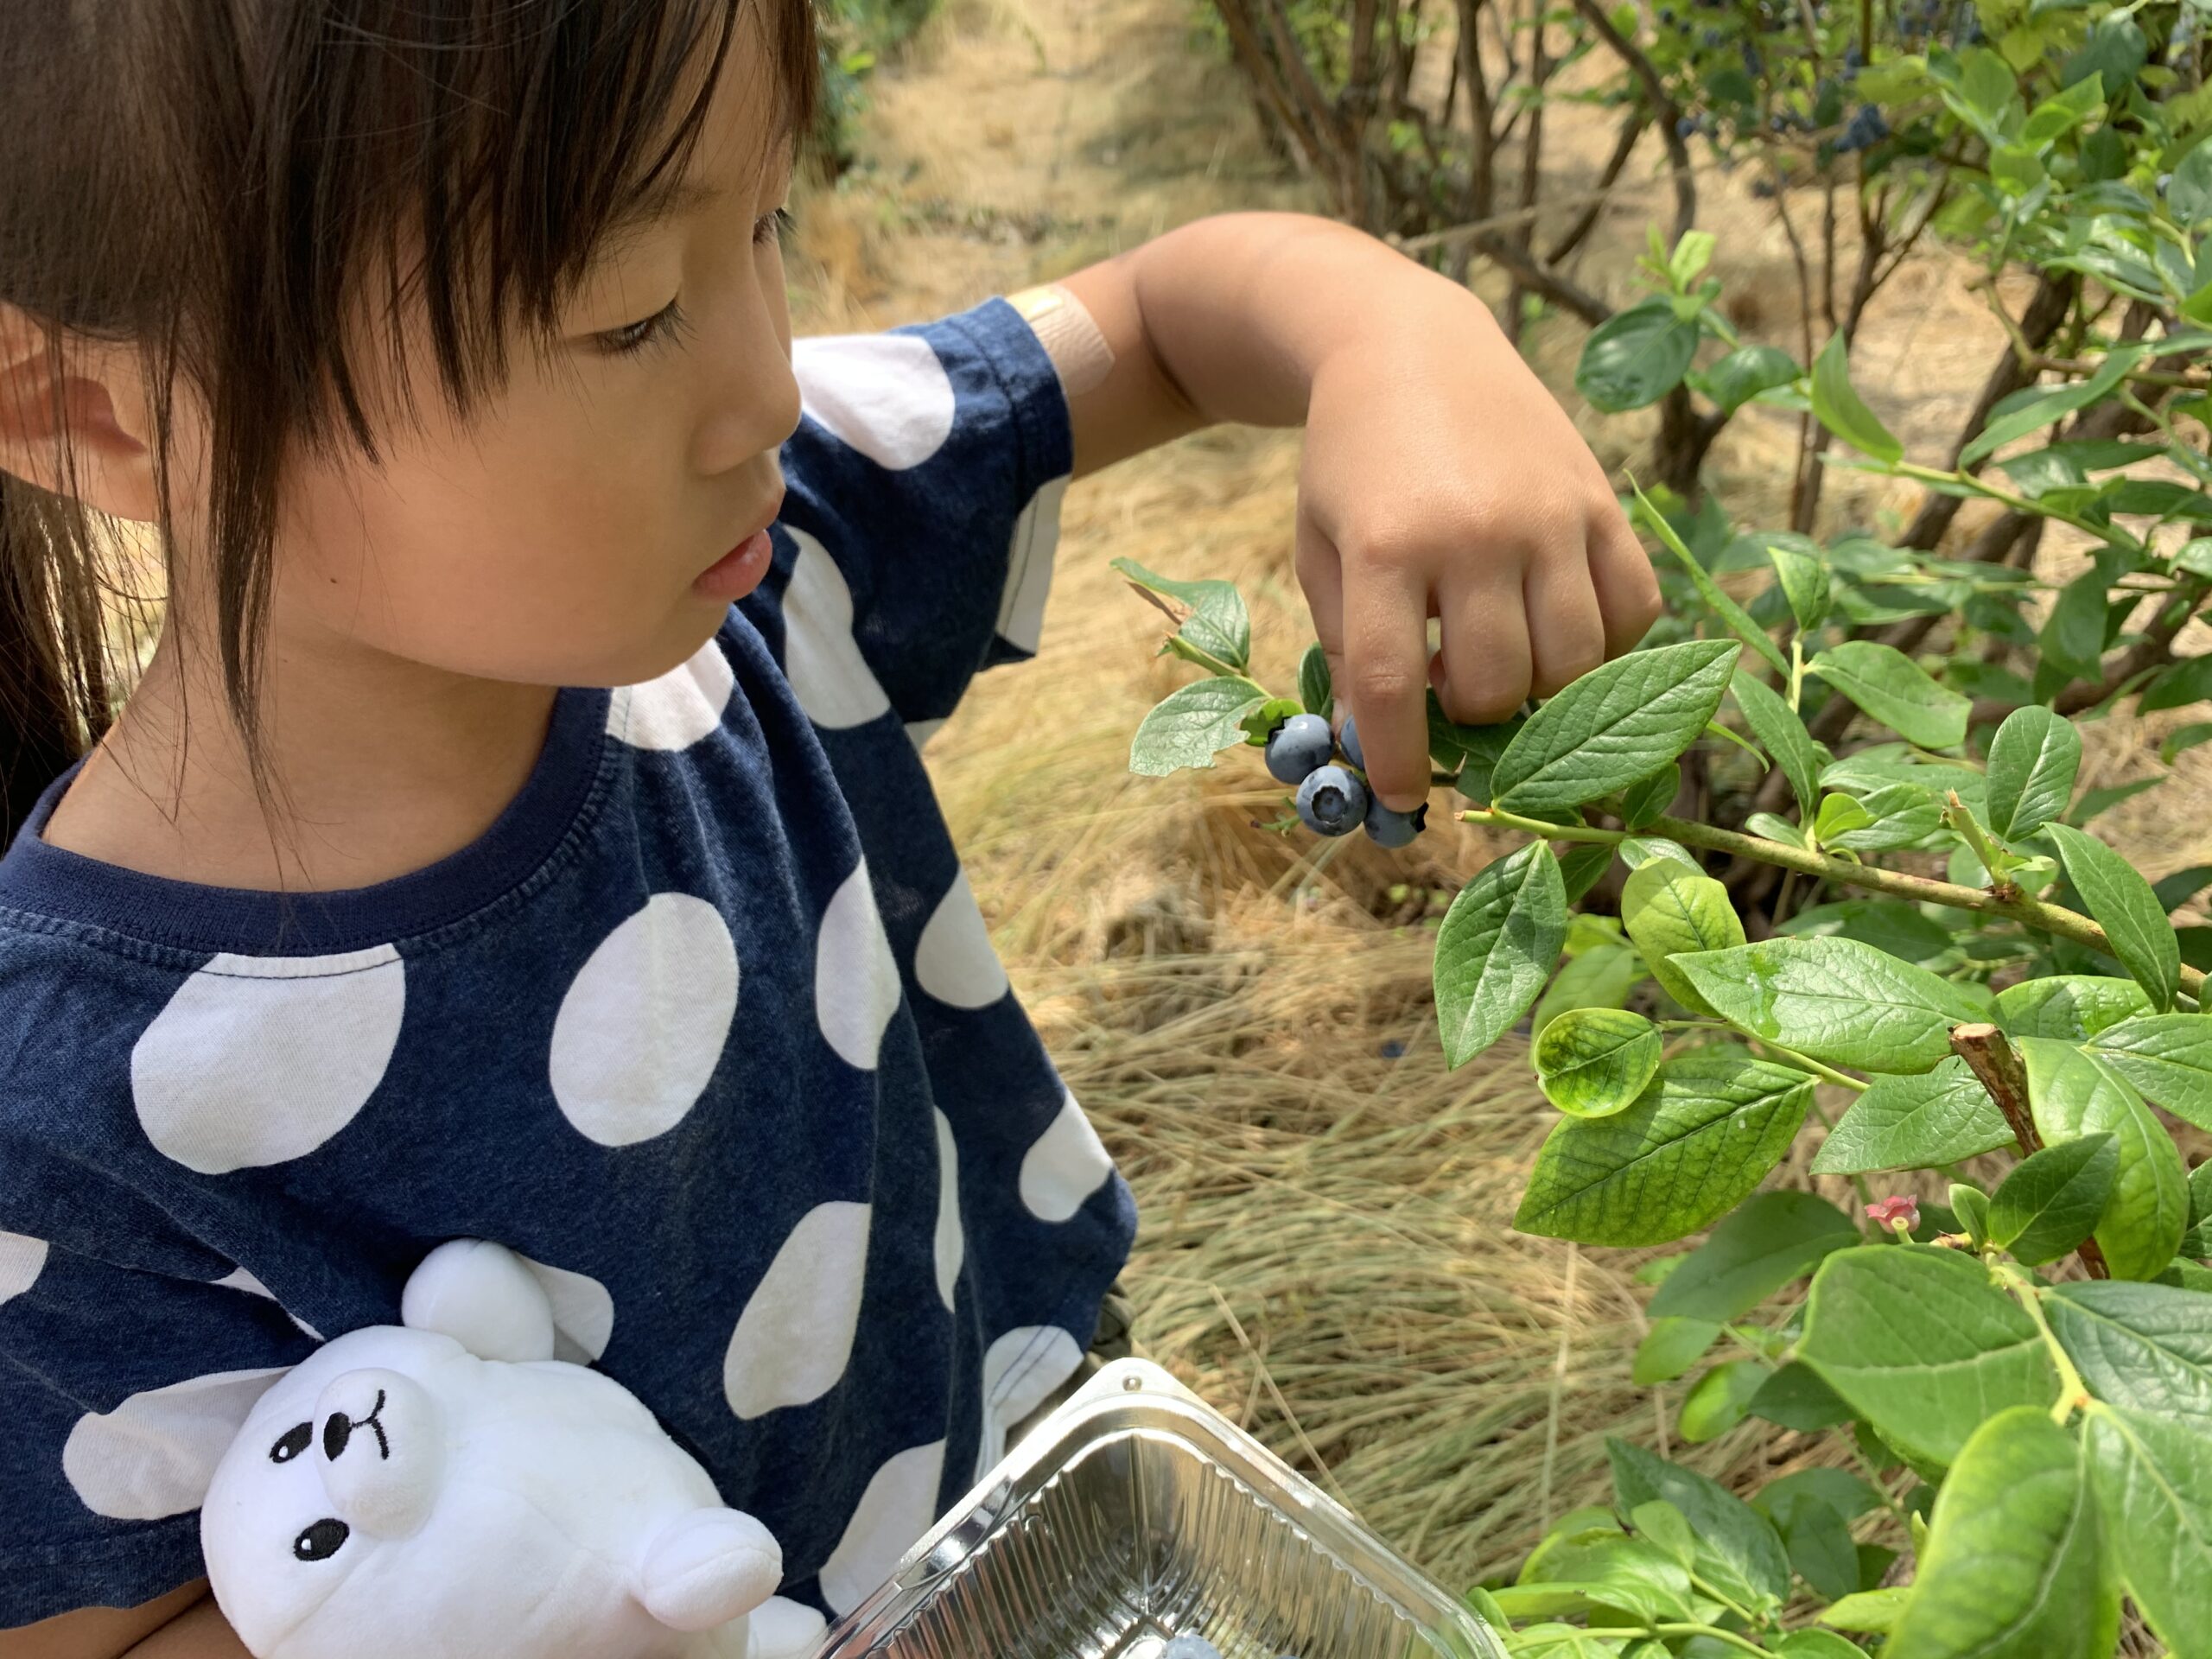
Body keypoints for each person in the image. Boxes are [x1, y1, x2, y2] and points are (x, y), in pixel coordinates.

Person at [0, 2, 1661, 1654]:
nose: (763, 388)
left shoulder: (763, 562)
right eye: (630, 313)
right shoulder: (77, 1113)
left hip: (1027, 1507)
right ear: (100, 417)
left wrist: (1399, 341)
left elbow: (1165, 317)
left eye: (770, 221)